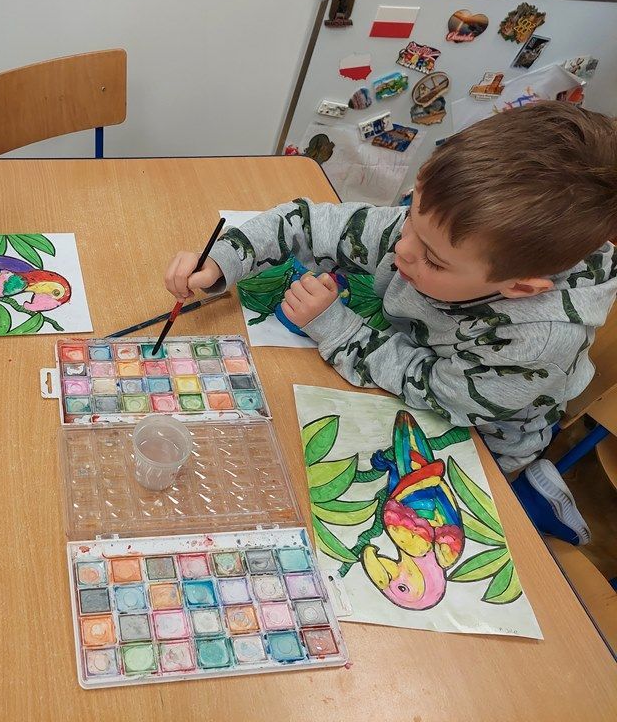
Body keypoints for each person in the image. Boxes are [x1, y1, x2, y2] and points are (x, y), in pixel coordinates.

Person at [165, 103, 617, 544]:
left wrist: (337, 328)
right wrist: (222, 260)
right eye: (409, 217)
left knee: (410, 518)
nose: (402, 249)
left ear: (520, 287)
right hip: (426, 367)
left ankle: (533, 498)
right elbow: (309, 223)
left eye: (433, 260)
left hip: (484, 434)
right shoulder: (440, 231)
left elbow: (439, 393)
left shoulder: (538, 339)